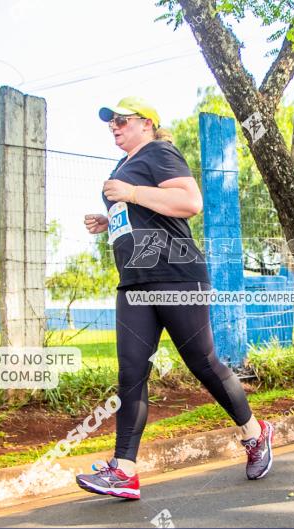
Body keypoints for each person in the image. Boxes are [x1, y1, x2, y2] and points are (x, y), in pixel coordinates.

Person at [75, 97, 273, 499]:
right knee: (131, 372)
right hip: (134, 282)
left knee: (202, 363)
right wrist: (110, 218)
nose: (114, 126)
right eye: (110, 123)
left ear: (146, 123)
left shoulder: (159, 152)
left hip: (176, 276)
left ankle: (255, 433)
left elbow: (189, 202)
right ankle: (124, 471)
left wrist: (130, 193)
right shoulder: (123, 166)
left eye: (122, 120)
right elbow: (147, 212)